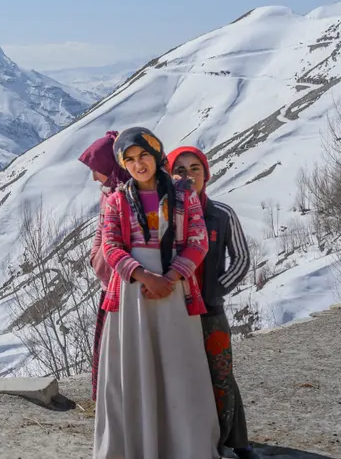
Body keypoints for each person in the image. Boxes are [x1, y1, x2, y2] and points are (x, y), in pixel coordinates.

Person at [94, 127, 219, 459]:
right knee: (133, 371)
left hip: (175, 292)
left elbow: (197, 240)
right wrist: (146, 276)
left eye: (144, 155)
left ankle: (182, 446)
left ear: (156, 154)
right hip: (133, 293)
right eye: (130, 159)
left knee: (178, 367)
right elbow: (111, 246)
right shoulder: (117, 199)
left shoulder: (183, 195)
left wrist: (172, 275)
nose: (139, 164)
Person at [168, 146, 257, 459]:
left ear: (206, 174)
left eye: (195, 169)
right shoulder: (163, 215)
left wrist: (217, 290)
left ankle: (238, 442)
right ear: (169, 174)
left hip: (210, 310)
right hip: (171, 311)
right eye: (180, 170)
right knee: (180, 376)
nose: (188, 176)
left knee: (221, 375)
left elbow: (242, 258)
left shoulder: (221, 213)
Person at [79, 130, 130, 401]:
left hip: (122, 283)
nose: (93, 177)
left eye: (96, 170)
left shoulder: (124, 194)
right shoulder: (108, 192)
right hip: (108, 281)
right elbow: (101, 232)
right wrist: (96, 256)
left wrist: (99, 258)